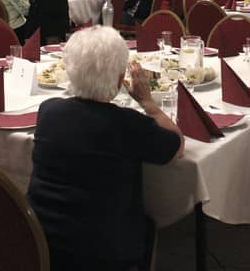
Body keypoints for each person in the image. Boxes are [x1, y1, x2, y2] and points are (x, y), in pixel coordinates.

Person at [28, 26, 183, 271]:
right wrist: (148, 103)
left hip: (41, 242)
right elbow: (176, 146)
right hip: (104, 253)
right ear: (121, 80)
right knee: (148, 224)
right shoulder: (128, 123)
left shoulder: (48, 111)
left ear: (70, 72)